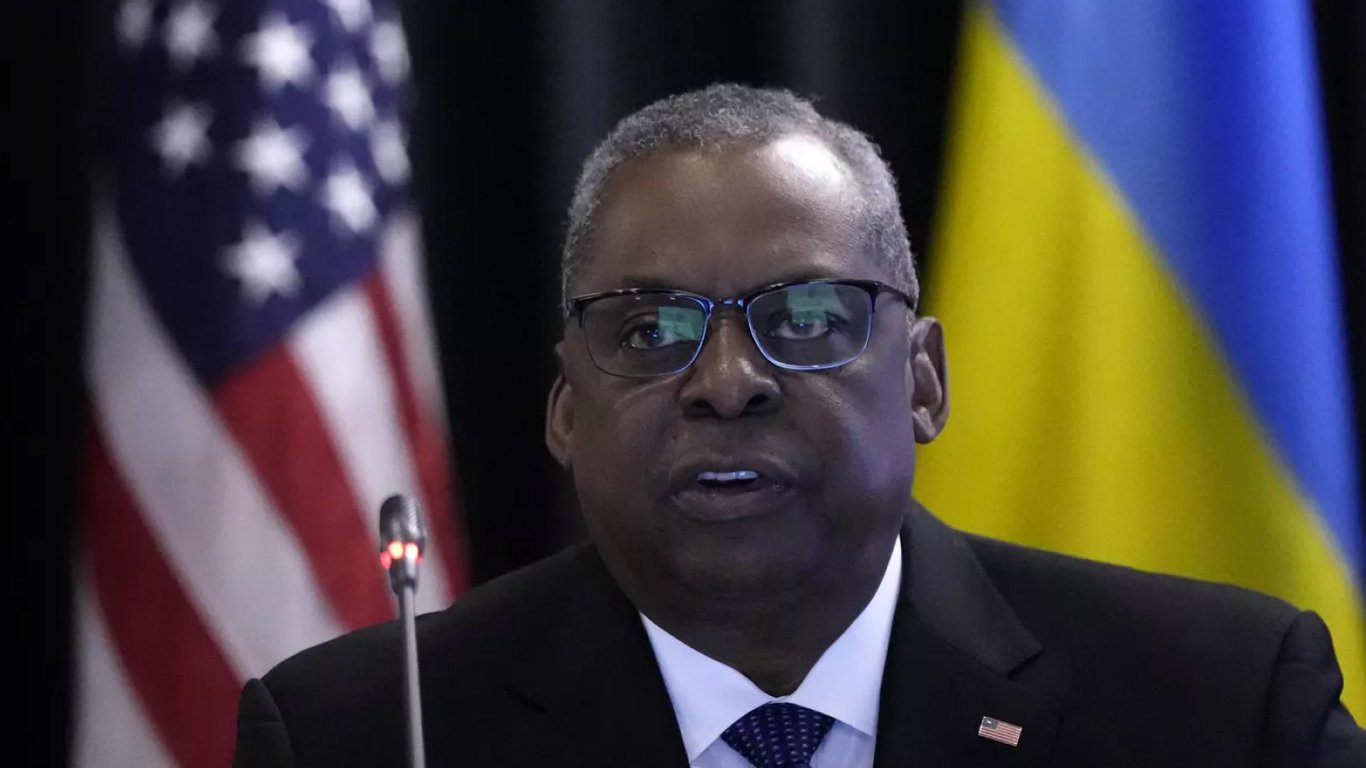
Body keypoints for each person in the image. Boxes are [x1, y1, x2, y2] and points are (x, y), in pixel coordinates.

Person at [233, 83, 1366, 767]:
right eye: (649, 329)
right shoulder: (367, 735)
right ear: (566, 411)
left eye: (809, 319)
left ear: (923, 382)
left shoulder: (1221, 705)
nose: (727, 383)